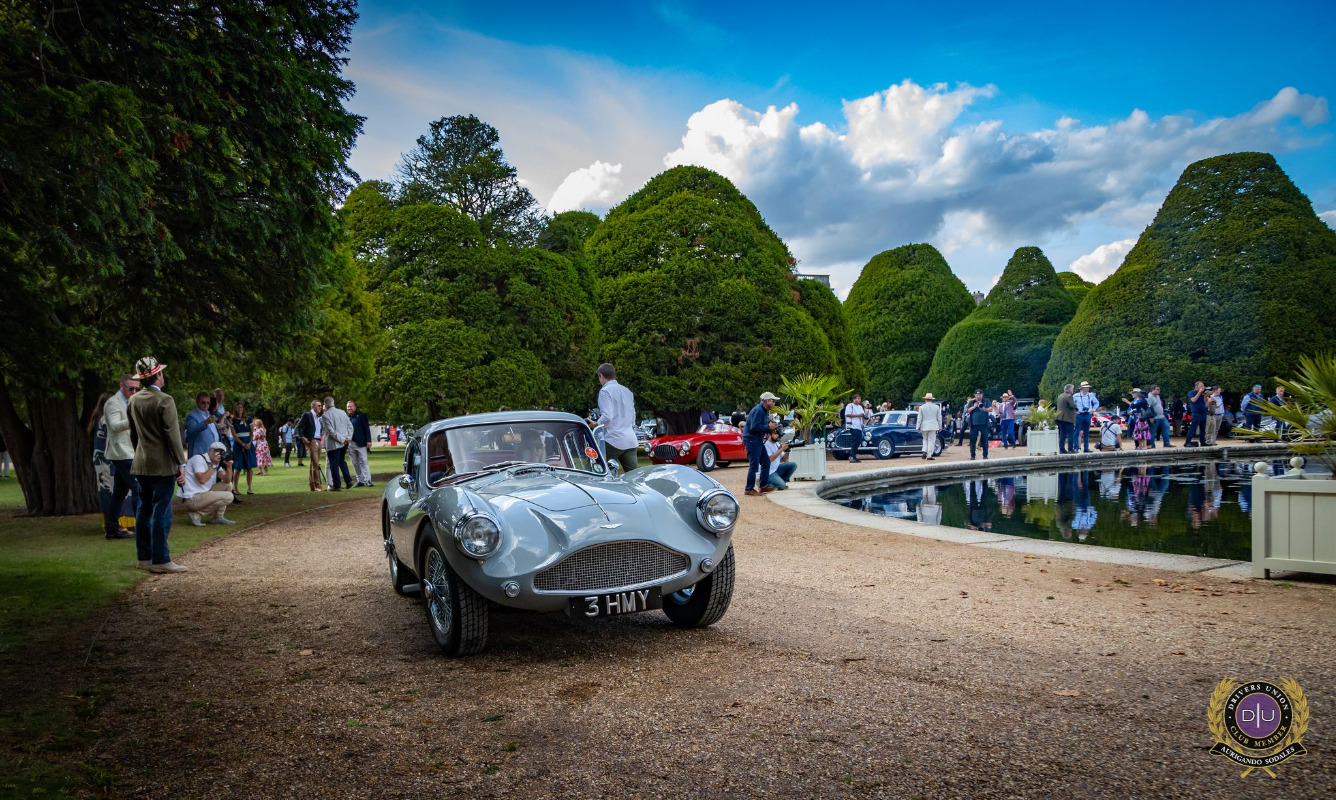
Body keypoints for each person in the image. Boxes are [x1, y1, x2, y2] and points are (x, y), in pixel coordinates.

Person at [126, 356, 188, 574]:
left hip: (141, 462)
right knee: (162, 511)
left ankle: (144, 557)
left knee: (143, 510)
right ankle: (161, 559)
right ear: (157, 375)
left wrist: (139, 453)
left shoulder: (133, 400)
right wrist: (181, 462)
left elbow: (134, 434)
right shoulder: (164, 400)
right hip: (162, 464)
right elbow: (172, 435)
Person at [101, 374, 140, 540]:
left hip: (130, 451)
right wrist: (134, 420)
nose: (134, 392)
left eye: (137, 389)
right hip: (121, 452)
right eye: (131, 388)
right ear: (121, 386)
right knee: (138, 488)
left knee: (119, 492)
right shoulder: (113, 403)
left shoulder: (131, 402)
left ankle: (111, 529)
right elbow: (115, 426)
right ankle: (143, 527)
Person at [595, 364, 639, 473]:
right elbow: (633, 416)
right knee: (633, 475)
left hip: (613, 439)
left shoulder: (605, 391)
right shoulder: (627, 391)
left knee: (599, 471)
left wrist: (596, 424)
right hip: (630, 439)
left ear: (601, 376)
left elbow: (607, 416)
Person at [180, 442, 236, 526]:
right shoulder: (198, 459)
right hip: (191, 499)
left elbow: (227, 480)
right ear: (210, 451)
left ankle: (218, 517)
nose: (219, 454)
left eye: (221, 452)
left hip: (203, 494)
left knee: (229, 485)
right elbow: (202, 480)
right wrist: (214, 465)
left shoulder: (215, 462)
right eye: (217, 451)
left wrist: (229, 466)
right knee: (229, 497)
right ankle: (197, 514)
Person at [743, 392, 778, 496]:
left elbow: (759, 426)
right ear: (767, 401)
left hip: (757, 440)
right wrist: (768, 427)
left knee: (766, 462)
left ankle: (763, 486)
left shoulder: (764, 411)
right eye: (773, 401)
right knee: (754, 465)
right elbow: (754, 427)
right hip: (752, 439)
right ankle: (749, 488)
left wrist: (770, 428)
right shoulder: (758, 410)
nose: (774, 403)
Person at [321, 395, 354, 491]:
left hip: (334, 444)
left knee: (333, 464)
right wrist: (348, 438)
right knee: (341, 461)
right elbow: (350, 426)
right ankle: (348, 481)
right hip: (344, 442)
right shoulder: (342, 412)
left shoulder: (325, 416)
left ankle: (336, 485)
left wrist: (342, 439)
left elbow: (331, 432)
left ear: (325, 404)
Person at [297, 400, 326, 491]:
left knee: (313, 463)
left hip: (318, 440)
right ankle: (317, 485)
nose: (320, 407)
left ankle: (312, 485)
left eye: (321, 406)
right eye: (318, 406)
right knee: (315, 463)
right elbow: (298, 427)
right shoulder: (307, 415)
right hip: (312, 440)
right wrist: (302, 437)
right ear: (313, 406)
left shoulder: (318, 417)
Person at [184, 390, 223, 459]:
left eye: (208, 403)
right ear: (197, 402)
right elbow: (191, 431)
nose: (206, 405)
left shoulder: (209, 414)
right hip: (199, 455)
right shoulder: (192, 416)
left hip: (213, 455)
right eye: (203, 402)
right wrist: (205, 422)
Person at [230, 402, 257, 495]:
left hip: (248, 444)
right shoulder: (232, 421)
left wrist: (249, 443)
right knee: (238, 468)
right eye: (237, 407)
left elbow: (252, 433)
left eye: (241, 407)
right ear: (235, 409)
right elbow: (234, 436)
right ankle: (235, 488)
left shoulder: (248, 419)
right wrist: (242, 444)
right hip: (238, 445)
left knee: (249, 467)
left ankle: (249, 488)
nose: (239, 409)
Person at [347, 400, 374, 487]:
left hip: (361, 443)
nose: (349, 408)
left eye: (351, 406)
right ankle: (360, 480)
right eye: (348, 407)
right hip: (350, 444)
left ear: (355, 407)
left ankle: (368, 480)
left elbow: (366, 428)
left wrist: (368, 440)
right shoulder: (346, 418)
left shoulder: (361, 416)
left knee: (363, 461)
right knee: (355, 463)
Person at [763, 425, 797, 490]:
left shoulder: (777, 444)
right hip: (768, 472)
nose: (778, 436)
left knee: (793, 465)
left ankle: (780, 483)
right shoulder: (766, 445)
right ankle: (764, 485)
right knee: (782, 486)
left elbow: (784, 459)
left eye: (779, 434)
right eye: (775, 434)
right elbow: (770, 459)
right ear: (769, 434)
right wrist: (781, 449)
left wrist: (787, 450)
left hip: (776, 469)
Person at [964, 390, 993, 460]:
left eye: (980, 395)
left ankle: (985, 455)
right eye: (977, 395)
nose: (978, 396)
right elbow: (967, 411)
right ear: (975, 395)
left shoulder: (986, 401)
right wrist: (974, 406)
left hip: (984, 424)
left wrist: (984, 409)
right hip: (974, 424)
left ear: (982, 395)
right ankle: (972, 456)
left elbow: (991, 409)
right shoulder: (971, 402)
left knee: (985, 441)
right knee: (972, 441)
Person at [915, 393, 943, 460]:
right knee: (931, 440)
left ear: (925, 399)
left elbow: (919, 418)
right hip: (933, 425)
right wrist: (940, 426)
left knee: (925, 439)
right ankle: (929, 455)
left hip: (924, 425)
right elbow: (939, 418)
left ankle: (924, 450)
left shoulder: (921, 407)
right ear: (931, 399)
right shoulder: (936, 407)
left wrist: (917, 427)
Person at [1073, 381, 1099, 453]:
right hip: (1079, 414)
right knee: (1077, 431)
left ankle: (1086, 448)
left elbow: (1096, 403)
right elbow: (1071, 404)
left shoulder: (1091, 395)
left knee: (1086, 432)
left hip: (1087, 414)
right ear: (1081, 388)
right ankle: (1076, 448)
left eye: (1088, 387)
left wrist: (1093, 410)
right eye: (1085, 387)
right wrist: (1075, 410)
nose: (1087, 389)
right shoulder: (1076, 395)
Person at [842, 393, 867, 463]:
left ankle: (854, 455)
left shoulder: (860, 407)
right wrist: (858, 415)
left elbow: (862, 415)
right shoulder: (850, 406)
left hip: (859, 426)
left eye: (860, 399)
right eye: (858, 398)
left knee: (859, 441)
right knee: (855, 440)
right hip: (853, 426)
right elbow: (847, 414)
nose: (859, 400)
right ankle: (851, 456)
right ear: (854, 399)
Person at [1185, 381, 1209, 446]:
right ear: (1197, 386)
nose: (1202, 387)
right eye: (1201, 386)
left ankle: (1203, 442)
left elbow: (1205, 402)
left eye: (1203, 386)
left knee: (1203, 429)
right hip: (1196, 413)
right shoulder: (1191, 393)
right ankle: (1187, 442)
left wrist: (1205, 396)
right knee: (1193, 428)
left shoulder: (1202, 394)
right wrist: (1199, 392)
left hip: (1203, 412)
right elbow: (1193, 400)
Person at [1056, 384, 1077, 454]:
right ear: (1069, 389)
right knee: (1070, 434)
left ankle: (1061, 449)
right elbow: (1072, 405)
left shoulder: (1060, 396)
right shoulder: (1069, 396)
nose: (1073, 390)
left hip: (1060, 417)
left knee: (1062, 434)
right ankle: (1070, 449)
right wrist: (1076, 406)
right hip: (1068, 418)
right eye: (1072, 389)